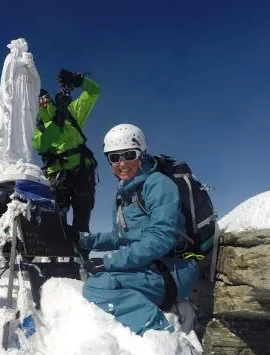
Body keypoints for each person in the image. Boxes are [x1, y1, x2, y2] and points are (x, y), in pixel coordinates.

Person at [77, 124, 198, 335]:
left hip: (173, 268)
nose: (122, 163)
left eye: (129, 155)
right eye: (114, 158)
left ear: (141, 153)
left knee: (98, 286)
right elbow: (120, 237)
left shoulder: (158, 184)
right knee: (99, 279)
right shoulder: (123, 195)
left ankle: (161, 337)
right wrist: (84, 240)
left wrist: (108, 262)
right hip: (148, 266)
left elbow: (161, 237)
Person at [32, 68, 101, 234]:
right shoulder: (35, 128)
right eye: (40, 100)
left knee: (82, 221)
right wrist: (58, 120)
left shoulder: (70, 113)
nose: (45, 102)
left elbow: (94, 91)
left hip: (83, 173)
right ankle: (51, 256)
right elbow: (42, 145)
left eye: (46, 98)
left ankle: (81, 256)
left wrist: (78, 80)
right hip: (57, 177)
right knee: (55, 221)